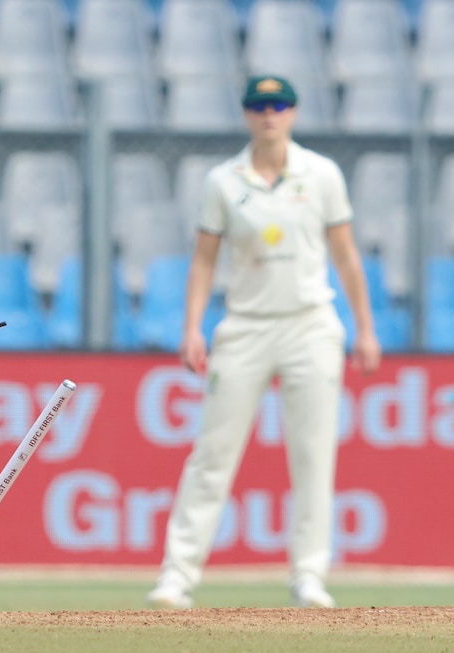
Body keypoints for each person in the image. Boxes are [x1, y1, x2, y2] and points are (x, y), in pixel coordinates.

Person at [146, 75, 382, 610]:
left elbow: (346, 256)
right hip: (246, 325)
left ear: (293, 112)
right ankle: (177, 576)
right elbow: (205, 259)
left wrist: (365, 328)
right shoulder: (224, 180)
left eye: (278, 105)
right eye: (258, 105)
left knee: (313, 454)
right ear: (247, 114)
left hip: (310, 324)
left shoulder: (320, 174)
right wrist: (192, 328)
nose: (268, 114)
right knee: (212, 454)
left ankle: (309, 575)